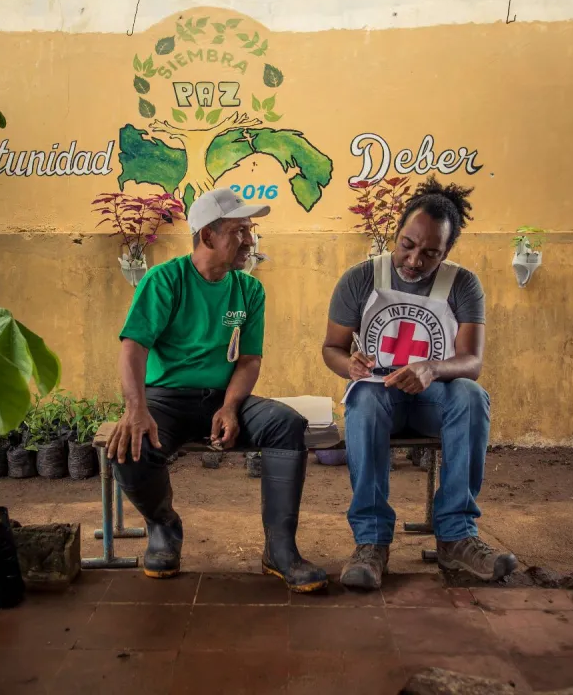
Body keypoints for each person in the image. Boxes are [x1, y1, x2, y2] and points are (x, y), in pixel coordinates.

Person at [106, 187, 328, 593]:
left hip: (224, 399)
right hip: (165, 399)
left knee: (286, 425)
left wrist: (229, 407)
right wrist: (136, 409)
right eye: (239, 230)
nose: (250, 240)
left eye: (250, 229)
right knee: (131, 445)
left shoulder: (249, 289)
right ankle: (163, 527)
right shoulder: (164, 280)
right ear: (207, 235)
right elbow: (133, 347)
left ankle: (280, 550)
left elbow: (249, 360)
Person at [321, 176, 517, 590]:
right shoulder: (360, 279)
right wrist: (349, 365)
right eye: (407, 245)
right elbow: (332, 348)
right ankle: (372, 541)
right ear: (397, 232)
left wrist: (432, 368)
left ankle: (456, 536)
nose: (413, 260)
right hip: (381, 401)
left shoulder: (462, 284)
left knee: (470, 395)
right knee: (365, 399)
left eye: (430, 253)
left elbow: (471, 361)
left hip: (434, 403)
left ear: (447, 251)